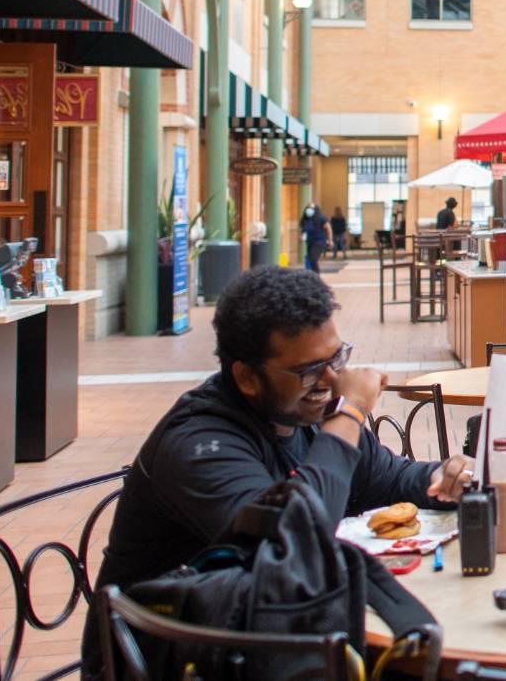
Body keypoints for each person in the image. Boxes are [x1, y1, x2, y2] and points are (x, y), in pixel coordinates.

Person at [90, 267, 473, 623]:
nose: (330, 380)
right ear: (246, 377)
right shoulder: (198, 445)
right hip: (170, 652)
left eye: (336, 358)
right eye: (308, 370)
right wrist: (352, 411)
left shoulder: (305, 414)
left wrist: (442, 476)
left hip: (264, 631)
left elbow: (388, 478)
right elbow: (294, 544)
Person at [299, 203, 329, 272]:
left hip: (319, 241)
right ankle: (313, 272)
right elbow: (303, 230)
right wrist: (301, 237)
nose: (309, 210)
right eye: (308, 208)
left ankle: (316, 273)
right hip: (310, 242)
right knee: (311, 259)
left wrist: (330, 240)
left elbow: (328, 228)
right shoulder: (305, 219)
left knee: (313, 257)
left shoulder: (321, 218)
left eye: (311, 208)